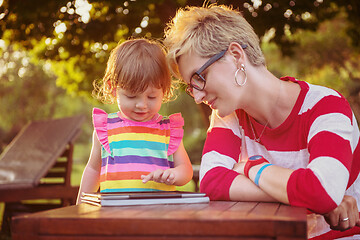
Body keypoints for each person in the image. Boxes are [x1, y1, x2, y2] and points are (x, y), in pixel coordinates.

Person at [164, 4, 360, 239]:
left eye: (199, 78)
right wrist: (312, 195)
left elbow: (321, 190)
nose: (197, 96)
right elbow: (211, 181)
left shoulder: (326, 106)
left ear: (236, 56)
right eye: (190, 86)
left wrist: (250, 167)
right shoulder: (227, 117)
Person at [77, 38, 193, 203]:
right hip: (115, 216)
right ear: (113, 88)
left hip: (159, 215)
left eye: (152, 96)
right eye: (131, 96)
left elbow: (186, 170)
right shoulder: (106, 129)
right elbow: (93, 170)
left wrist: (174, 175)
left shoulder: (168, 131)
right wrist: (80, 206)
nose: (142, 105)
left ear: (164, 90)